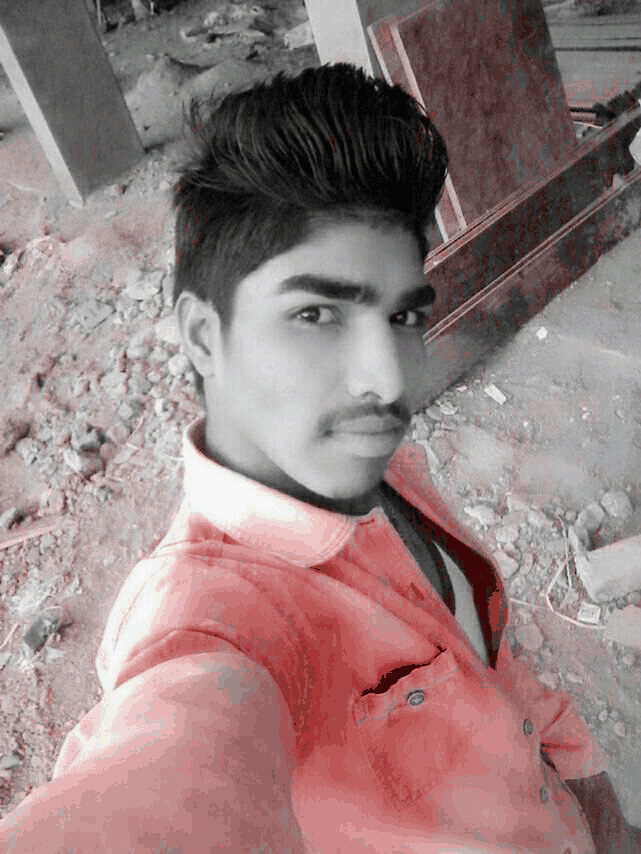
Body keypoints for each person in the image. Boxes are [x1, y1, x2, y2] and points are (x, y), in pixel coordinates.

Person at [0, 62, 638, 854]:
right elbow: (175, 760)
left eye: (402, 316)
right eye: (316, 314)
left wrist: (595, 797)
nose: (387, 379)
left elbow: (496, 665)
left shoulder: (380, 470)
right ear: (203, 337)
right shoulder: (208, 619)